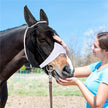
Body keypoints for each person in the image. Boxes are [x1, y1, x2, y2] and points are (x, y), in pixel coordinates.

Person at [53, 32, 108, 108]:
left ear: (106, 51)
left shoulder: (106, 72)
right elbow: (71, 72)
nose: (92, 48)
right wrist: (64, 48)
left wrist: (78, 83)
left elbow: (97, 104)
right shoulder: (97, 66)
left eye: (95, 46)